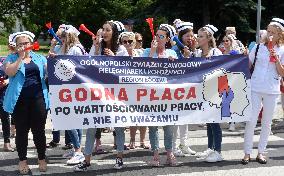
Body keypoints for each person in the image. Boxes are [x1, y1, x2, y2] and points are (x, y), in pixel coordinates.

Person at [74, 20, 128, 172]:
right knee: (91, 127)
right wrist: (96, 50)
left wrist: (114, 57)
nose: (104, 32)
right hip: (97, 93)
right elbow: (88, 66)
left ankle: (119, 158)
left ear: (114, 33)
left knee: (119, 127)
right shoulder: (96, 46)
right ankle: (86, 161)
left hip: (115, 94)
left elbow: (126, 71)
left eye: (107, 30)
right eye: (103, 29)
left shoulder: (121, 49)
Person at [3, 31, 49, 174]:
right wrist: (20, 58)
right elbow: (10, 72)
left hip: (38, 99)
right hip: (19, 101)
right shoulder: (10, 58)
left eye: (26, 43)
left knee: (39, 131)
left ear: (31, 44)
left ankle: (42, 158)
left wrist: (53, 59)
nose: (24, 46)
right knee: (21, 132)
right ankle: (22, 160)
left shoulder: (40, 58)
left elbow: (50, 73)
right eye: (20, 44)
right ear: (16, 47)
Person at [242, 17, 284, 165]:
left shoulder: (282, 49)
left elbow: (282, 73)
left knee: (266, 123)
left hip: (272, 89)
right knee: (251, 120)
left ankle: (261, 152)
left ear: (280, 34)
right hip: (255, 87)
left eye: (273, 32)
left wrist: (276, 58)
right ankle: (247, 152)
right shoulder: (258, 47)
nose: (269, 34)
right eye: (268, 31)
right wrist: (242, 55)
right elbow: (247, 64)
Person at [50, 25, 86, 165]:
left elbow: (70, 65)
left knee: (70, 120)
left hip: (72, 89)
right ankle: (77, 148)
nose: (61, 40)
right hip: (73, 88)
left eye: (63, 37)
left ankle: (78, 150)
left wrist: (57, 57)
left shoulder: (75, 49)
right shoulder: (76, 48)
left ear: (68, 37)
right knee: (75, 121)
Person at [142, 24, 177, 166]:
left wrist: (174, 63)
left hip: (167, 95)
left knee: (168, 125)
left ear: (167, 39)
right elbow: (143, 70)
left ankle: (170, 153)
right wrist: (152, 53)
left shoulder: (172, 54)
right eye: (156, 35)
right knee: (153, 126)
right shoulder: (146, 52)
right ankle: (155, 154)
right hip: (151, 95)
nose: (158, 38)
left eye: (161, 36)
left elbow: (179, 73)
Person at [194, 25, 224, 163]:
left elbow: (221, 70)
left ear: (208, 38)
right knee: (208, 121)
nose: (197, 38)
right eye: (198, 35)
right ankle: (210, 148)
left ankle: (218, 151)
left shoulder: (215, 52)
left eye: (200, 36)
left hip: (214, 91)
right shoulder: (198, 53)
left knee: (215, 122)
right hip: (202, 91)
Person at [169, 21, 197, 157]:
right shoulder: (175, 50)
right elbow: (177, 70)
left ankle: (184, 144)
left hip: (188, 88)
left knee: (185, 119)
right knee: (175, 119)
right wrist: (185, 58)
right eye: (187, 36)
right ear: (180, 36)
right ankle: (173, 147)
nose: (190, 38)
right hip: (176, 90)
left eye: (191, 36)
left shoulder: (192, 49)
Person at [47, 24, 72, 150]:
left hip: (67, 85)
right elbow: (48, 60)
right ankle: (55, 138)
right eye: (59, 35)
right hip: (56, 85)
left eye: (62, 36)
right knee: (55, 113)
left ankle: (69, 141)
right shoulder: (57, 47)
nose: (60, 38)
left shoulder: (71, 48)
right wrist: (52, 45)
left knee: (67, 113)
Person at [0, 46, 14, 152]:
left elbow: (12, 75)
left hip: (3, 95)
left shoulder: (4, 60)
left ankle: (6, 143)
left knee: (5, 119)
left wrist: (7, 81)